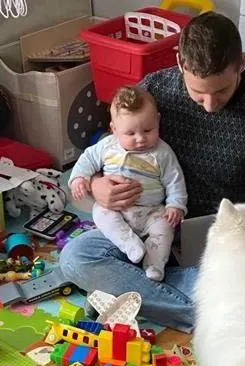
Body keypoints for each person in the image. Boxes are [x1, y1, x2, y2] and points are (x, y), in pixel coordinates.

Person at [60, 11, 245, 332]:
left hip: (217, 243)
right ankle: (202, 314)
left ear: (241, 62)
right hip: (143, 225)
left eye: (222, 91)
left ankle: (134, 290)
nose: (211, 105)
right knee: (76, 256)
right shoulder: (153, 91)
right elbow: (112, 145)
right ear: (180, 62)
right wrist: (97, 184)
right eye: (199, 94)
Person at [69, 85, 187, 281]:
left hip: (152, 211)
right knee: (100, 214)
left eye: (148, 130)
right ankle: (130, 245)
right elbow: (87, 160)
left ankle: (154, 264)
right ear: (114, 129)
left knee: (165, 228)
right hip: (118, 212)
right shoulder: (107, 147)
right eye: (130, 134)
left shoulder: (162, 152)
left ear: (157, 120)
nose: (140, 139)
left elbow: (175, 180)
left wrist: (176, 205)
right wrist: (80, 178)